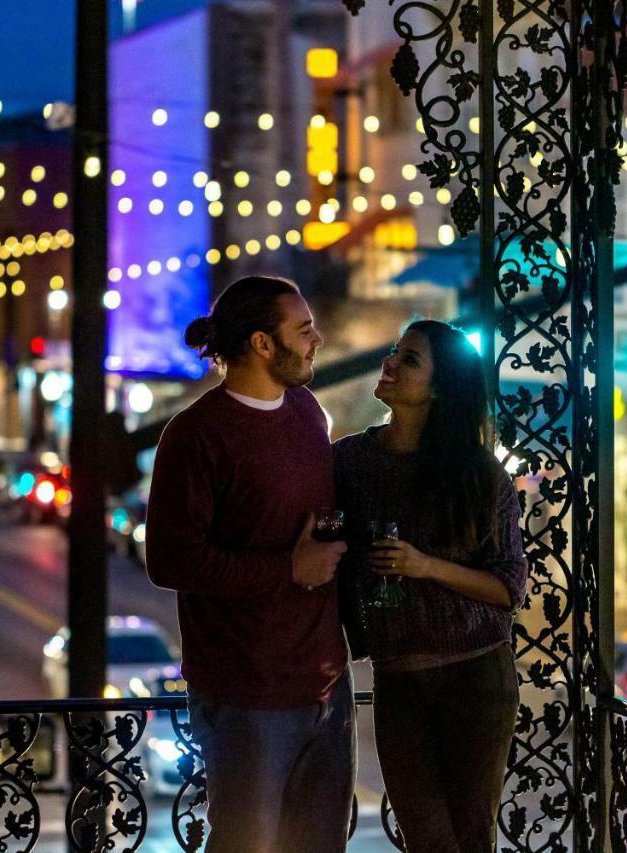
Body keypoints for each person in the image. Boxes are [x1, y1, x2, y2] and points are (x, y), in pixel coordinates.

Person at [146, 275, 354, 853]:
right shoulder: (195, 436)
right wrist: (288, 569)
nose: (319, 339)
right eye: (304, 329)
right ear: (263, 344)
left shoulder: (309, 412)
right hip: (247, 693)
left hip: (326, 685)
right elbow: (170, 561)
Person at [334, 319, 528, 853]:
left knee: (470, 837)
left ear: (440, 389)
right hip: (398, 680)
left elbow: (510, 587)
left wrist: (425, 566)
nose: (390, 363)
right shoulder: (351, 462)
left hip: (477, 677)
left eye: (410, 360)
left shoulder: (479, 475)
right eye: (394, 351)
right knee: (429, 840)